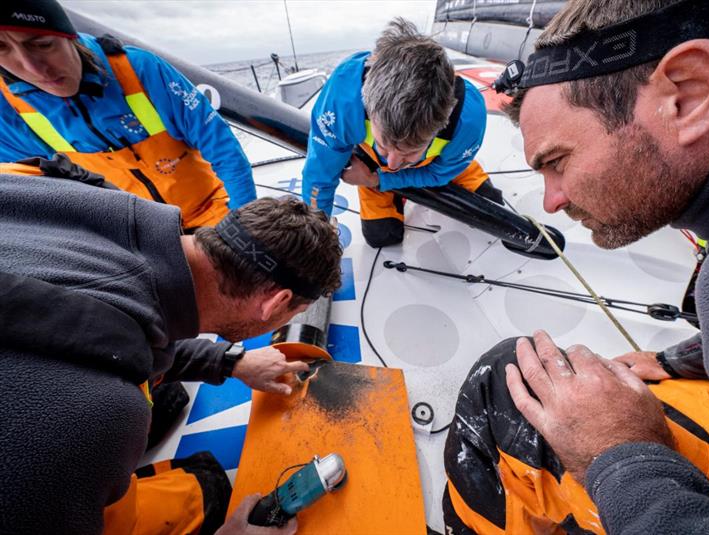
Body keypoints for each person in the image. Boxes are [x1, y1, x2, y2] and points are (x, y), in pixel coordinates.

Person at [443, 0, 709, 533]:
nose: (551, 202)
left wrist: (621, 453)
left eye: (556, 161)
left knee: (503, 389)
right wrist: (681, 358)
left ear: (689, 93)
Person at [0, 159, 342, 534]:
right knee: (205, 489)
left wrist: (229, 362)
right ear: (275, 304)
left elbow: (86, 321)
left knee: (167, 395)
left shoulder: (51, 191)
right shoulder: (100, 418)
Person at [0, 0, 256, 230]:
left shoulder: (140, 69)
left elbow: (224, 150)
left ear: (71, 37)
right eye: (1, 48)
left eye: (43, 44)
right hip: (136, 238)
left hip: (211, 213)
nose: (33, 68)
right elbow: (27, 195)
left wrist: (241, 228)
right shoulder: (6, 107)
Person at [301, 18, 502, 248]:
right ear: (367, 104)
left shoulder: (468, 119)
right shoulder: (341, 103)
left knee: (491, 204)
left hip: (429, 165)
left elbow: (439, 174)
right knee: (382, 236)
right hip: (370, 164)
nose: (394, 163)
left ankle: (459, 166)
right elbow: (319, 176)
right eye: (383, 144)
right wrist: (316, 237)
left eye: (408, 151)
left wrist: (378, 179)